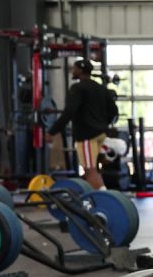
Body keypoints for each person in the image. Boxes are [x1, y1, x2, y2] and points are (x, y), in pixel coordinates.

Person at [47, 59, 114, 191]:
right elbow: (113, 111)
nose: (72, 70)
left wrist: (52, 131)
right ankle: (96, 194)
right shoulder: (101, 88)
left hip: (87, 136)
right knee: (93, 168)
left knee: (90, 170)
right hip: (101, 134)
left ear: (80, 70)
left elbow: (69, 112)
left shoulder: (77, 88)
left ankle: (105, 198)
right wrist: (102, 125)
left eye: (74, 68)